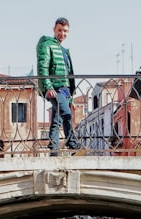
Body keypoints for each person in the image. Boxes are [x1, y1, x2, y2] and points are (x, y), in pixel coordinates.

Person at [37, 17, 79, 155]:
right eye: (60, 30)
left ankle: (53, 149)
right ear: (54, 29)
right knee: (66, 114)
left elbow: (68, 73)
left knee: (56, 120)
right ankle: (72, 144)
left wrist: (71, 97)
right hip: (55, 88)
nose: (62, 33)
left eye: (65, 31)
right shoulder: (47, 44)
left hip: (65, 90)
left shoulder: (64, 50)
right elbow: (42, 66)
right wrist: (48, 87)